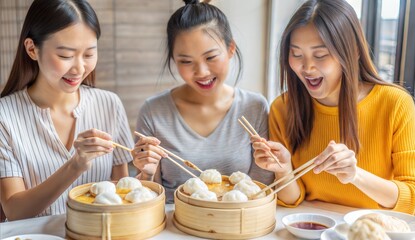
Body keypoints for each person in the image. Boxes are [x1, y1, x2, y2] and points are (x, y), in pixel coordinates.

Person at [251, 0, 415, 215]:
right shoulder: (283, 108)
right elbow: (292, 200)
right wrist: (284, 169)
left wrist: (355, 175)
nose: (307, 67)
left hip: (371, 230)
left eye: (320, 55)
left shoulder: (395, 103)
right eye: (296, 54)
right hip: (310, 228)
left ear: (352, 52)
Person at [0, 0, 133, 220]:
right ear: (32, 49)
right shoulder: (5, 116)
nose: (79, 68)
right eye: (65, 56)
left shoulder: (109, 104)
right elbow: (14, 211)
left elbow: (121, 192)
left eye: (89, 54)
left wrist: (146, 172)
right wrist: (75, 165)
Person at [133, 0, 274, 202]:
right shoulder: (153, 111)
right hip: (175, 227)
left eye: (210, 57)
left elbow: (260, 190)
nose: (201, 72)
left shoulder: (254, 107)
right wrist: (146, 173)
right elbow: (151, 196)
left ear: (231, 48)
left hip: (237, 224)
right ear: (173, 59)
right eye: (186, 61)